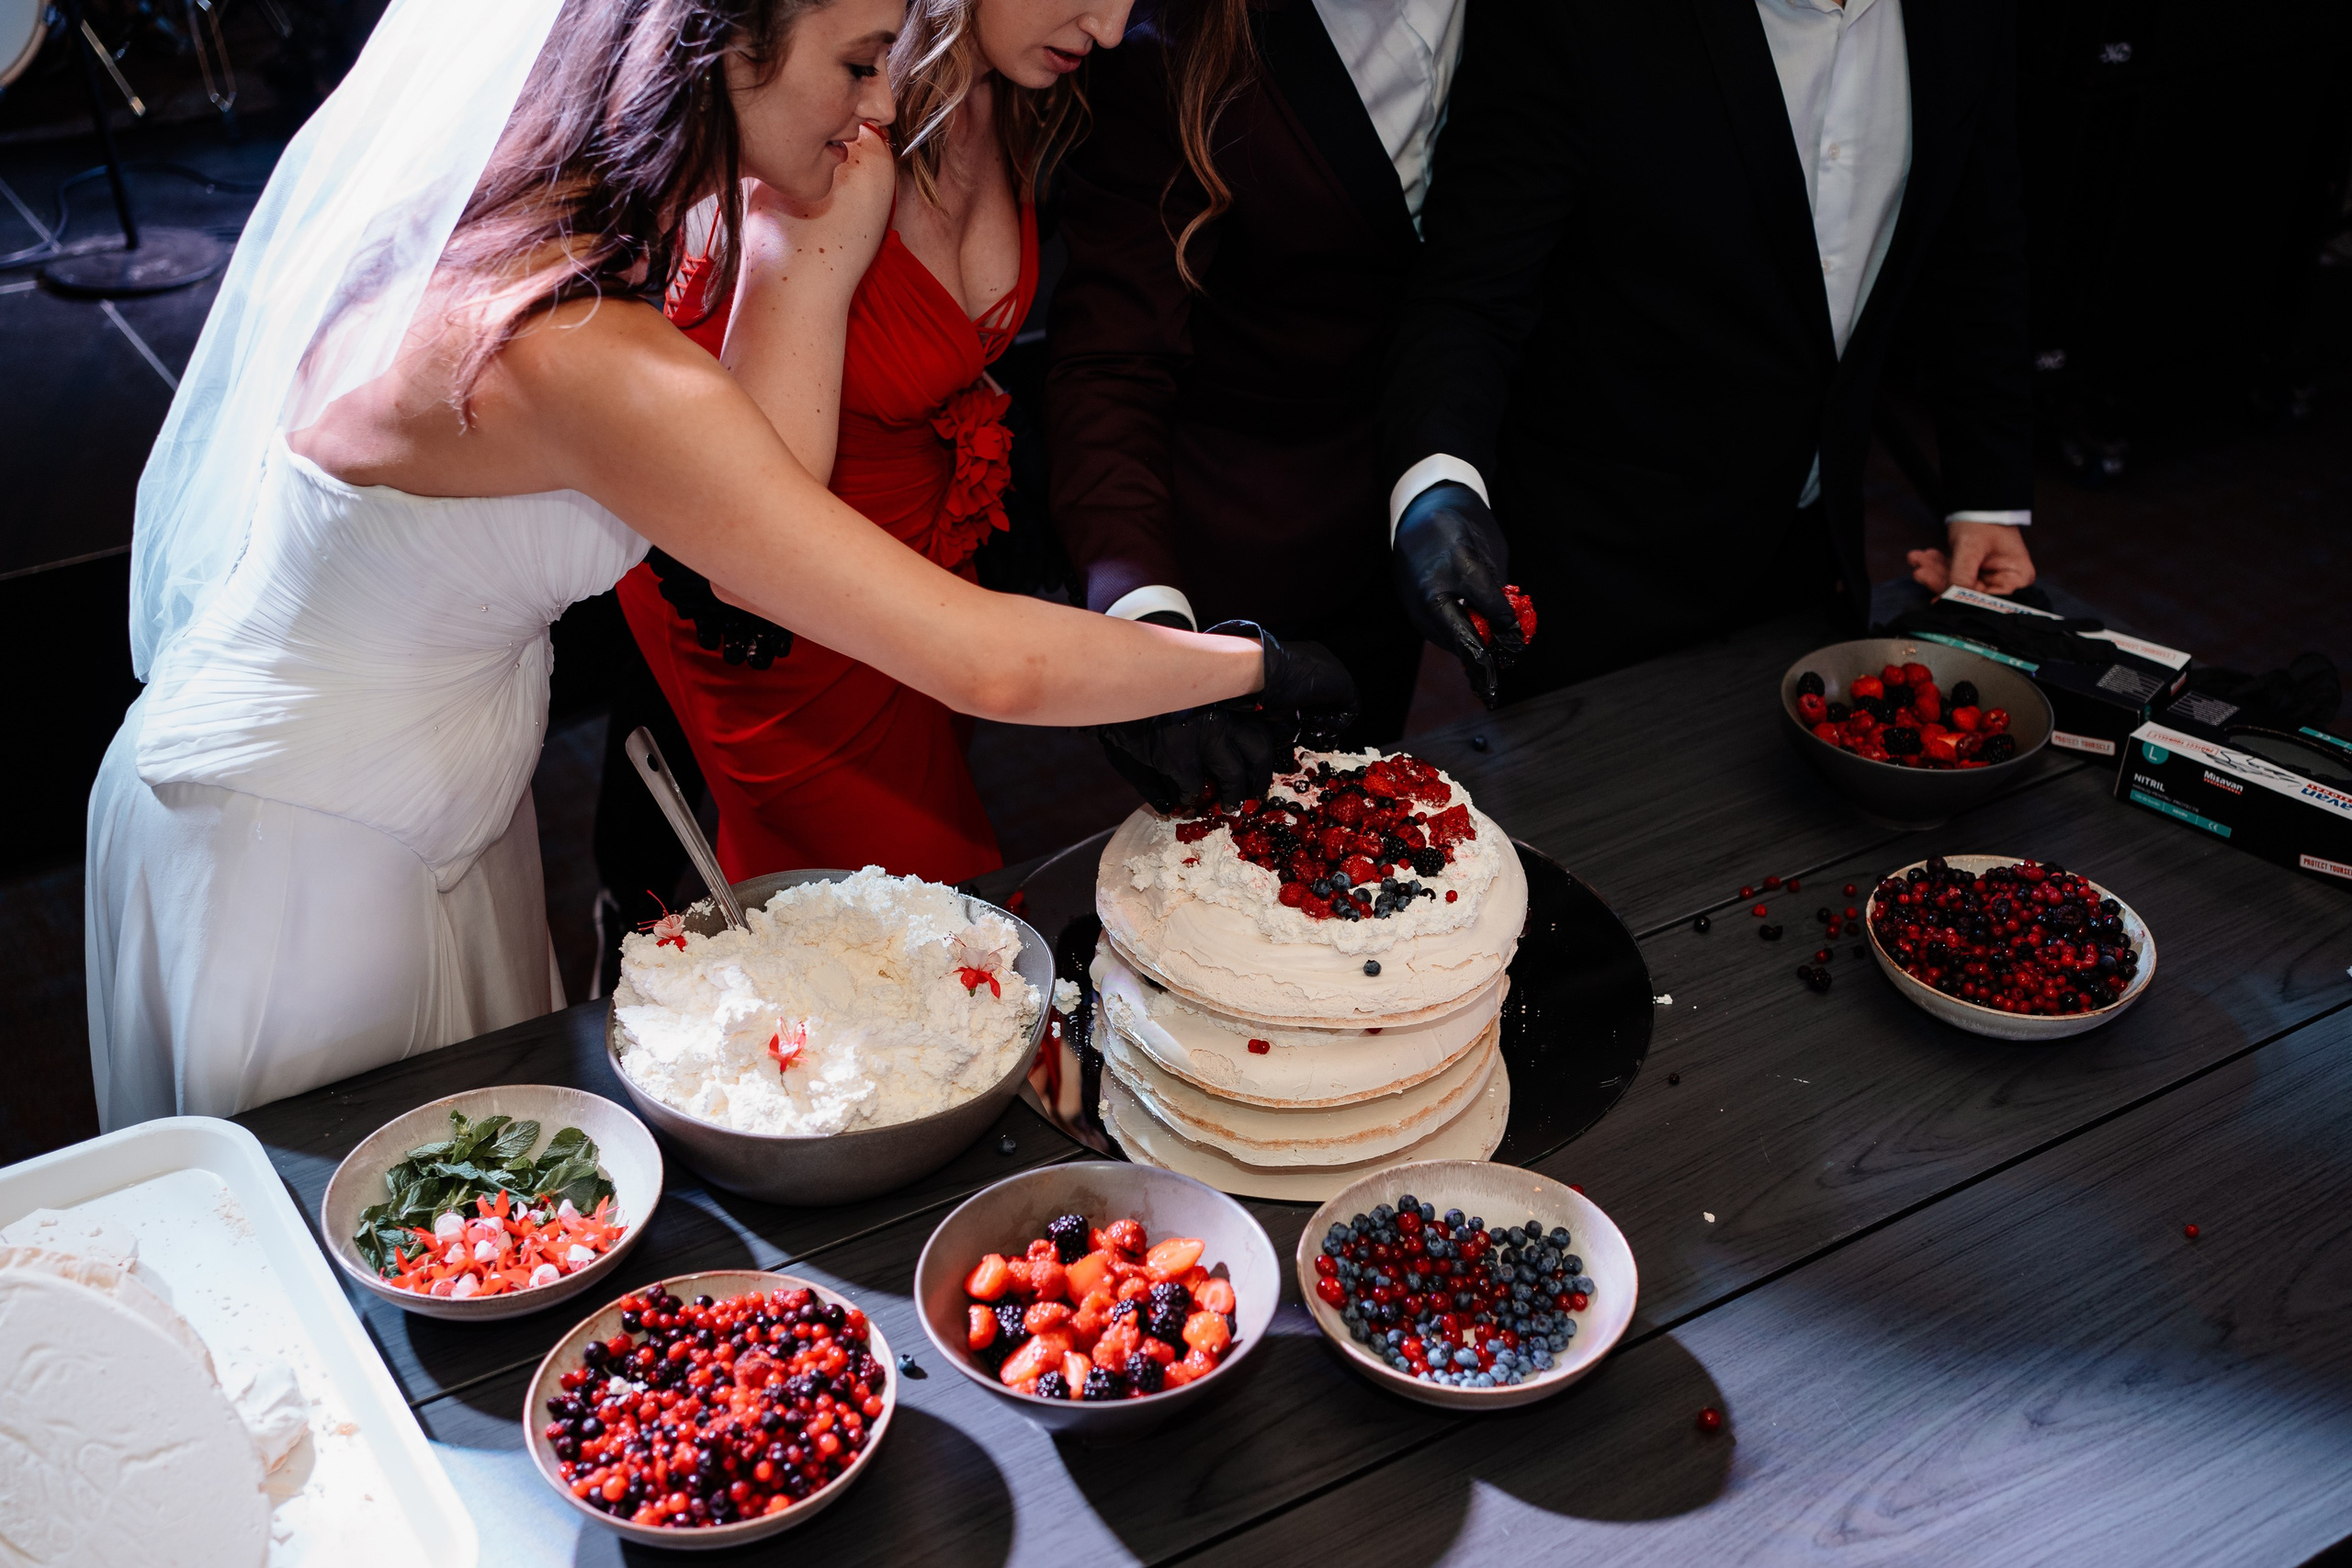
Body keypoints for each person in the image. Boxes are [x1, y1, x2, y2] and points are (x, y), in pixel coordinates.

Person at [85, 0, 1352, 1128]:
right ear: (718, 48)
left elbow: (762, 533)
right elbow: (985, 662)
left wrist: (812, 257)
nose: (881, 100)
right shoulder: (587, 356)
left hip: (442, 806)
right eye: (858, 61)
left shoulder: (549, 238)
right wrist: (1251, 661)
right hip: (304, 854)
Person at [1382, 0, 2040, 701]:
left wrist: (1986, 499)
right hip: (1602, 572)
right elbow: (1474, 287)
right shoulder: (1578, 15)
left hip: (1811, 557)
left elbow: (1978, 251)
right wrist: (1438, 483)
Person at [619, 0, 1136, 888]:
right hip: (792, 617)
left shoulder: (1013, 96)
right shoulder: (838, 146)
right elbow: (754, 546)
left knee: (855, 929)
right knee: (928, 908)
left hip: (923, 567)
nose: (1115, 27)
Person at [1046, 0, 1463, 741]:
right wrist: (1150, 634)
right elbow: (1113, 361)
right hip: (1233, 560)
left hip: (1412, 545)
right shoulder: (1164, 39)